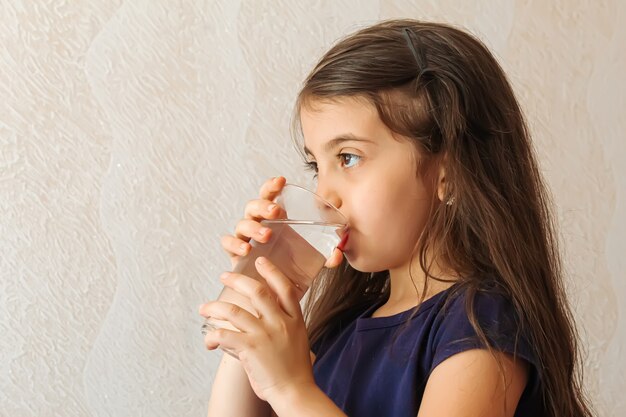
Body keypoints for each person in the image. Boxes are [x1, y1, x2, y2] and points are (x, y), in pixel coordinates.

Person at [199, 19, 593, 417]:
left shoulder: (483, 325)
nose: (323, 195)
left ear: (449, 172)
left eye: (348, 158)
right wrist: (258, 300)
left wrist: (291, 388)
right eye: (316, 166)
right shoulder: (341, 327)